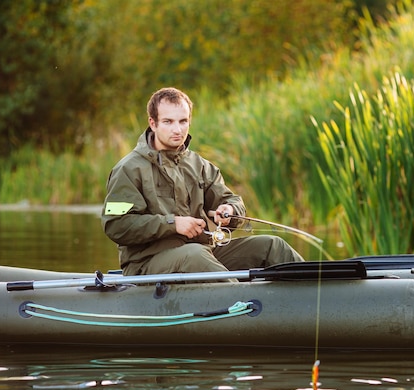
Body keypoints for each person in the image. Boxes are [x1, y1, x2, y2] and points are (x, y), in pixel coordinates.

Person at [101, 87, 304, 277]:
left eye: (183, 121)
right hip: (147, 263)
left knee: (272, 246)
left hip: (203, 254)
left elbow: (232, 201)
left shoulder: (200, 165)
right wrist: (173, 224)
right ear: (153, 123)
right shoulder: (128, 169)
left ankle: (320, 291)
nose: (177, 130)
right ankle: (244, 307)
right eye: (168, 122)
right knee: (195, 255)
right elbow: (117, 225)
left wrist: (229, 212)